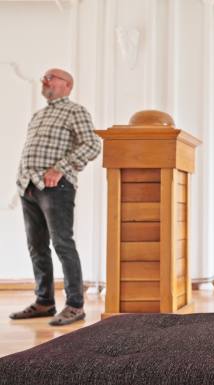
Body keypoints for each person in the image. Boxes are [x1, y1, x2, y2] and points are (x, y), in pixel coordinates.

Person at [10, 68, 101, 326]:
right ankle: (44, 302)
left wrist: (59, 168)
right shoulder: (38, 116)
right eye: (43, 78)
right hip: (29, 187)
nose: (44, 80)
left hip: (56, 188)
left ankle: (75, 305)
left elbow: (92, 144)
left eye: (51, 77)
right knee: (36, 246)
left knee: (62, 244)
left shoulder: (75, 111)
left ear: (68, 85)